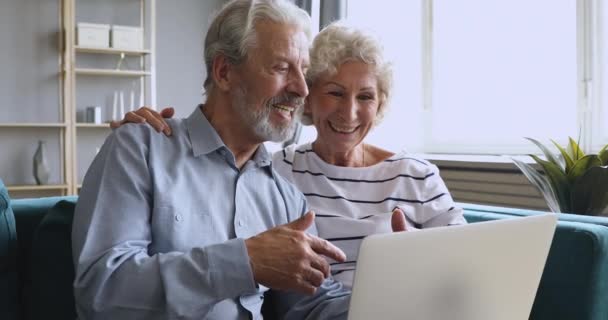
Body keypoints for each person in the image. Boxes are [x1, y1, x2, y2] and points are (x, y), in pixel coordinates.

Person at [116, 22, 466, 289]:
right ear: (307, 98)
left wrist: (423, 266)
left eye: (366, 97)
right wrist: (146, 138)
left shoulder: (417, 175)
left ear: (381, 103)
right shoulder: (275, 170)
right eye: (335, 93)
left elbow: (469, 265)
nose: (350, 112)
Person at [72, 1, 358, 319]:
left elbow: (313, 305)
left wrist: (398, 289)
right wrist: (244, 261)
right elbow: (103, 290)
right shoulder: (139, 149)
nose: (301, 89)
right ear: (224, 72)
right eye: (280, 68)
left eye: (303, 71)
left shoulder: (286, 197)